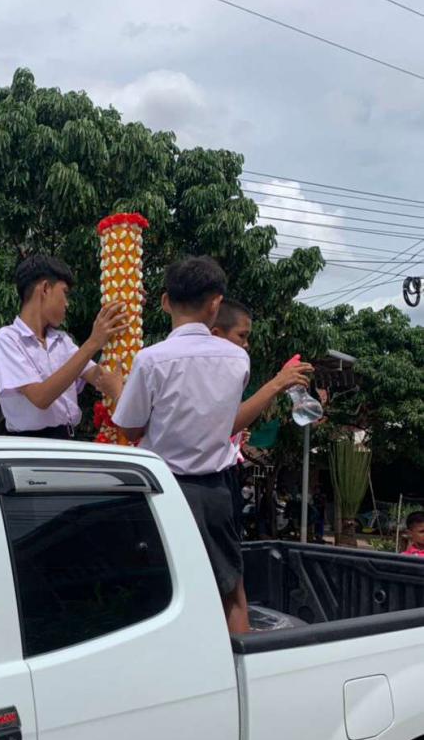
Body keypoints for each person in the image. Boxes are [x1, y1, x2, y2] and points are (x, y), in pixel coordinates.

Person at [111, 257, 253, 633]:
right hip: (218, 489)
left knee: (162, 591)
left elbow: (129, 427)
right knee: (231, 591)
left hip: (162, 490)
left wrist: (115, 389)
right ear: (215, 304)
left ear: (165, 302)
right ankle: (241, 662)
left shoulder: (150, 359)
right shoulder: (238, 359)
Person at [0, 254, 127, 439]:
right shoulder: (6, 340)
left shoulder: (62, 341)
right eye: (65, 292)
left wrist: (127, 306)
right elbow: (41, 397)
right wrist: (93, 343)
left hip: (67, 439)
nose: (67, 304)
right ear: (45, 288)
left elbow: (101, 377)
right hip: (31, 445)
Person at [211, 299, 313, 539]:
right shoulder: (215, 370)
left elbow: (228, 425)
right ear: (216, 334)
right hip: (209, 483)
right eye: (241, 336)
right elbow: (226, 425)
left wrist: (237, 438)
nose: (246, 345)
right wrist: (278, 382)